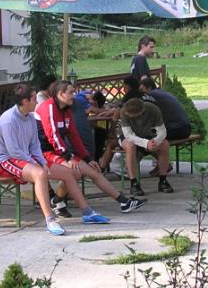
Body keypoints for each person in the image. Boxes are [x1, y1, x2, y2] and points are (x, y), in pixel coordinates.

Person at [0, 84, 116, 235]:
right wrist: (37, 164)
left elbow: (35, 145)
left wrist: (42, 162)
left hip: (26, 158)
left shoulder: (30, 117)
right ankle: (50, 219)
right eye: (34, 99)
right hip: (6, 160)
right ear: (25, 102)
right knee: (40, 174)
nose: (37, 102)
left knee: (68, 172)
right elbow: (14, 152)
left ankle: (87, 212)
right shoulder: (9, 120)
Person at [38, 80, 147, 214]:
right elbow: (52, 135)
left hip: (58, 152)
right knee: (75, 172)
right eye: (71, 92)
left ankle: (124, 202)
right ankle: (66, 204)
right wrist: (68, 157)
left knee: (93, 170)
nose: (74, 96)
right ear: (61, 94)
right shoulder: (48, 107)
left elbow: (74, 136)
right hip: (43, 153)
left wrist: (87, 158)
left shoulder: (66, 110)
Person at [119, 98, 173, 197]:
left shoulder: (153, 109)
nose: (127, 116)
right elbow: (128, 135)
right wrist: (146, 143)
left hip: (147, 135)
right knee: (130, 145)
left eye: (131, 115)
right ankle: (134, 183)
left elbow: (162, 131)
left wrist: (155, 142)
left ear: (141, 113)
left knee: (164, 144)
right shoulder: (124, 111)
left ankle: (163, 180)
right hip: (128, 137)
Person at [139, 76, 192, 141]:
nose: (141, 93)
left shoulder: (150, 95)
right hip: (186, 129)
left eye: (142, 90)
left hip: (174, 130)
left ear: (149, 88)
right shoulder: (163, 92)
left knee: (143, 136)